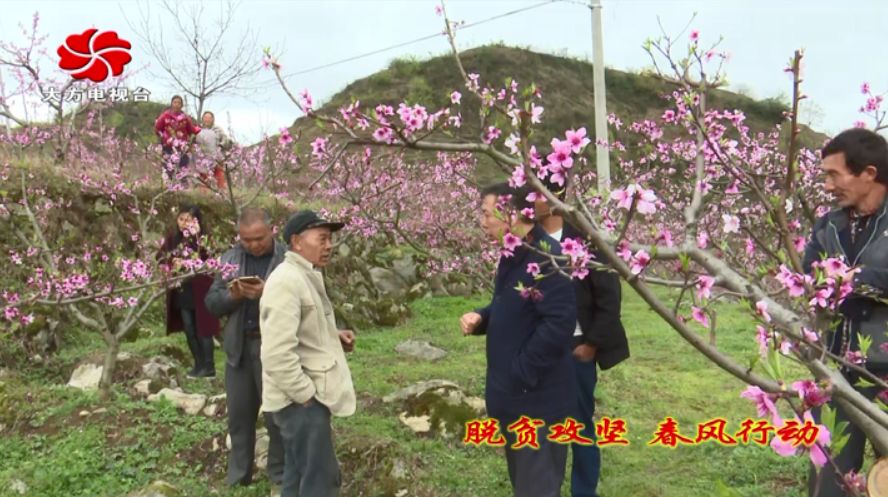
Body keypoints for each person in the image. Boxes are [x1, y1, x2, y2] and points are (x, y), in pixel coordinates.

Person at [460, 182, 577, 497]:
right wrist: (483, 317)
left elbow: (558, 326)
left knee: (537, 487)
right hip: (516, 399)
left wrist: (520, 373)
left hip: (538, 403)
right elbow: (515, 303)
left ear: (510, 215)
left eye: (487, 214)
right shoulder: (514, 253)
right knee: (526, 484)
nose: (482, 222)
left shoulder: (548, 259)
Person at [802, 128, 888, 497]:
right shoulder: (829, 225)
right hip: (838, 368)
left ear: (868, 173)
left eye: (834, 174)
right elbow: (807, 275)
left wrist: (860, 280)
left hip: (884, 369)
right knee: (831, 476)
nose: (827, 185)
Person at [532, 177, 629, 497]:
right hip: (538, 352)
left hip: (575, 352)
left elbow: (609, 299)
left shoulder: (587, 241)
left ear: (553, 197)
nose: (528, 202)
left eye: (534, 195)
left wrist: (591, 345)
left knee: (579, 427)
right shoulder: (525, 242)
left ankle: (583, 492)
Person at [260, 210, 357, 497]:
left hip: (302, 400)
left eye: (330, 239)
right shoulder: (286, 282)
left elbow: (300, 330)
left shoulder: (304, 275)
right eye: (322, 239)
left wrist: (332, 336)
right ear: (297, 242)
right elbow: (276, 353)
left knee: (298, 475)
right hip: (299, 403)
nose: (329, 246)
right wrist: (304, 394)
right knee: (320, 480)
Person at [204, 207, 285, 489]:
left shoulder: (287, 259)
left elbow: (303, 302)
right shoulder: (229, 259)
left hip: (275, 349)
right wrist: (233, 295)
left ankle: (280, 477)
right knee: (239, 417)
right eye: (245, 239)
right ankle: (239, 479)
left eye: (258, 238)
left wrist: (269, 293)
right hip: (239, 348)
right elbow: (211, 304)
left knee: (277, 417)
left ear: (271, 231)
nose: (252, 244)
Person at [158, 205, 220, 377]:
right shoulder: (173, 239)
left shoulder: (204, 238)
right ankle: (198, 364)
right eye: (181, 219)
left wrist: (197, 237)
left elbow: (212, 259)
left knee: (204, 328)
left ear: (197, 221)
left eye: (189, 220)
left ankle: (209, 367)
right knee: (189, 327)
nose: (184, 224)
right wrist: (172, 264)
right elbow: (160, 258)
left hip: (201, 288)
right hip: (182, 289)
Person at [154, 95, 201, 182]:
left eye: (179, 103)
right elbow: (157, 128)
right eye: (175, 102)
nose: (176, 104)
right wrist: (163, 138)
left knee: (182, 169)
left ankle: (182, 188)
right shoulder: (165, 115)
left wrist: (199, 130)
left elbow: (192, 130)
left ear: (181, 105)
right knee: (168, 169)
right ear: (171, 104)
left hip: (182, 148)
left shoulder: (185, 118)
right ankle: (168, 188)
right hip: (168, 147)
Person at [195, 111, 232, 189]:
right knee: (203, 180)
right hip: (203, 159)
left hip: (217, 159)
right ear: (202, 119)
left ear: (213, 119)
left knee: (220, 178)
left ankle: (222, 195)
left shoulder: (218, 129)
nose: (207, 120)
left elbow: (225, 140)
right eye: (205, 118)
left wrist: (221, 145)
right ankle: (204, 196)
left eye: (209, 118)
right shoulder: (198, 130)